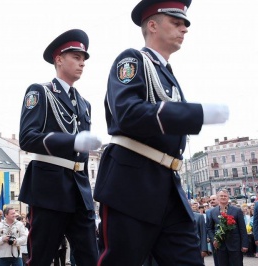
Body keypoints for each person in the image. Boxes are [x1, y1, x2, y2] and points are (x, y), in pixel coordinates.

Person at [93, 0, 230, 265]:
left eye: (185, 24)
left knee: (188, 260)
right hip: (132, 183)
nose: (184, 29)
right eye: (176, 23)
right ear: (153, 25)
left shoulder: (167, 73)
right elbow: (128, 113)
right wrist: (197, 113)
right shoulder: (132, 59)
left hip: (167, 185)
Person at [18, 28, 100, 266]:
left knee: (90, 258)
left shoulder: (85, 104)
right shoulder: (40, 92)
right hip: (49, 187)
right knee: (41, 257)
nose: (82, 63)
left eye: (84, 58)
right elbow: (28, 137)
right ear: (59, 59)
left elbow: (82, 155)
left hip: (80, 188)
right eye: (76, 57)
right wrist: (72, 141)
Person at [206, 189, 248, 266]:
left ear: (228, 198)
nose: (223, 197)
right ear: (218, 198)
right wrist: (213, 239)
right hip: (220, 246)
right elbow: (209, 228)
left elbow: (242, 228)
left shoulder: (237, 210)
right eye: (221, 196)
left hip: (235, 246)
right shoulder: (212, 212)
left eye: (225, 196)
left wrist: (244, 244)